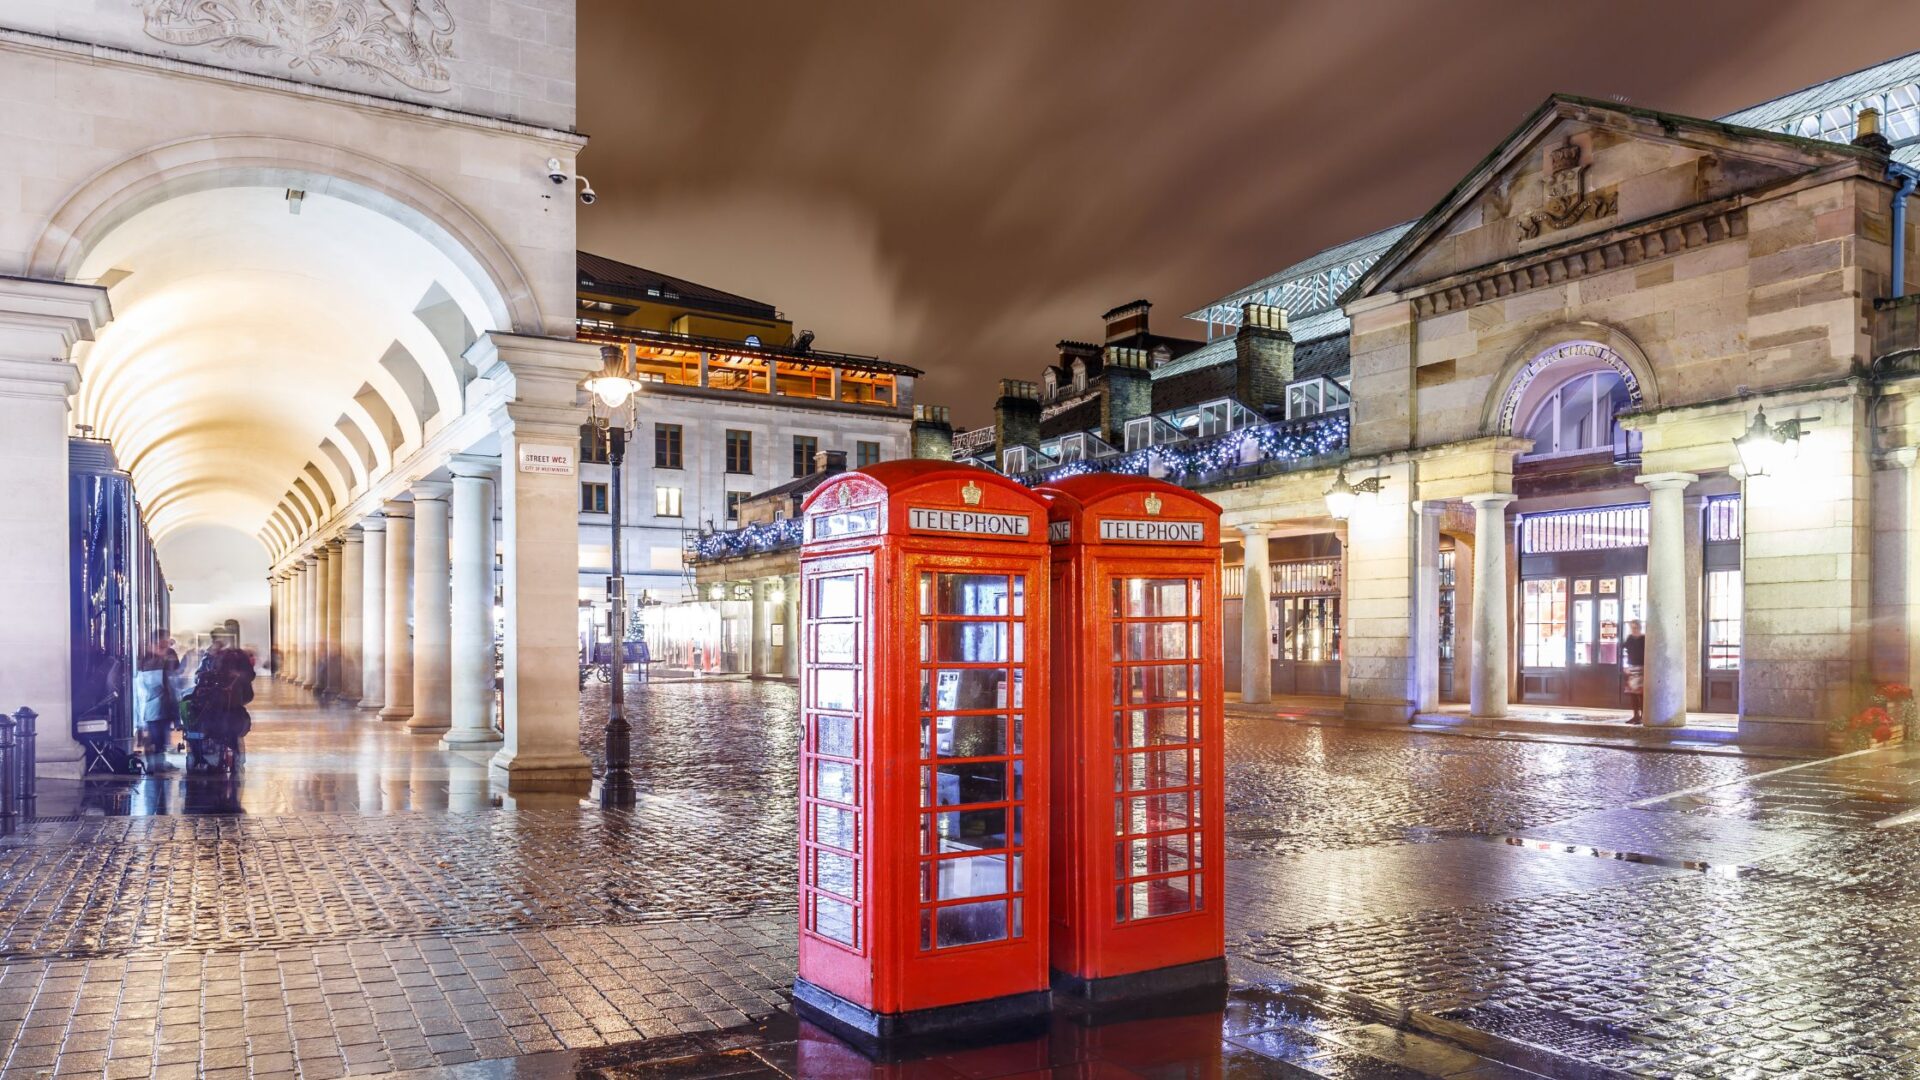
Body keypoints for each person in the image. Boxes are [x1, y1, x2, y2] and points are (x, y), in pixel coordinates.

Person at [134, 630, 180, 772]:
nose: (166, 644)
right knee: (155, 735)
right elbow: (150, 682)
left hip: (165, 703)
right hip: (152, 703)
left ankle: (160, 763)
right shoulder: (148, 658)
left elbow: (176, 671)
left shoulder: (168, 654)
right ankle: (153, 765)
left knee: (162, 735)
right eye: (163, 641)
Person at [1622, 619, 1646, 724]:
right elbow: (1624, 651)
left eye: (1635, 627)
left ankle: (1643, 716)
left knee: (1641, 694)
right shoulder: (1629, 639)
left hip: (1642, 668)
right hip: (1632, 667)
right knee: (1632, 694)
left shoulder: (1644, 639)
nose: (1633, 630)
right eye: (1632, 628)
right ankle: (1635, 715)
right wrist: (1625, 666)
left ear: (1639, 628)